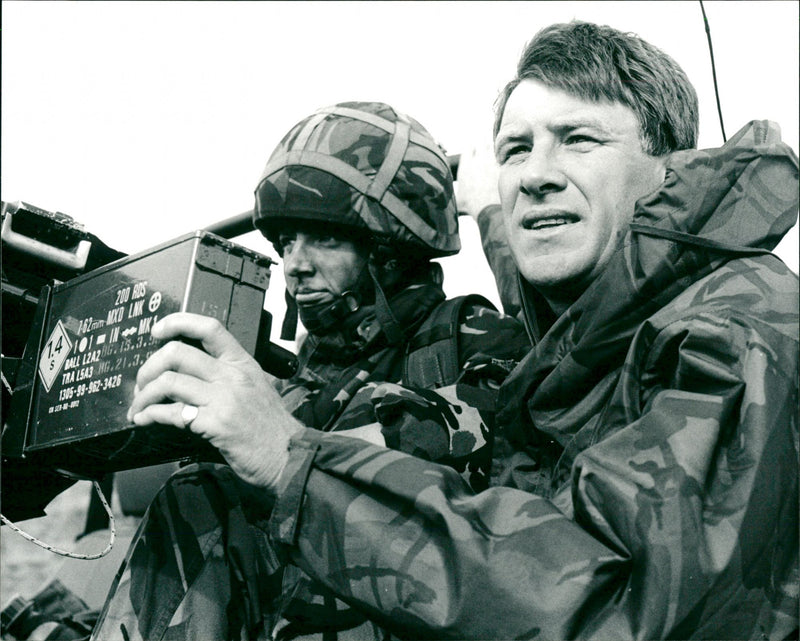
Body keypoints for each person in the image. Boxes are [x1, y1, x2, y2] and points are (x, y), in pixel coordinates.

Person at [92, 21, 797, 640]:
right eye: (516, 151)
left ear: (670, 165)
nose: (536, 177)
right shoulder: (596, 326)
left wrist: (292, 458)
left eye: (578, 139)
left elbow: (620, 607)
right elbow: (562, 297)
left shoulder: (733, 327)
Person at [76, 101, 528, 641]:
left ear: (389, 250)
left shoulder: (473, 338)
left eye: (324, 238)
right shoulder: (299, 371)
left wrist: (494, 217)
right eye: (287, 241)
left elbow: (564, 345)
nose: (295, 263)